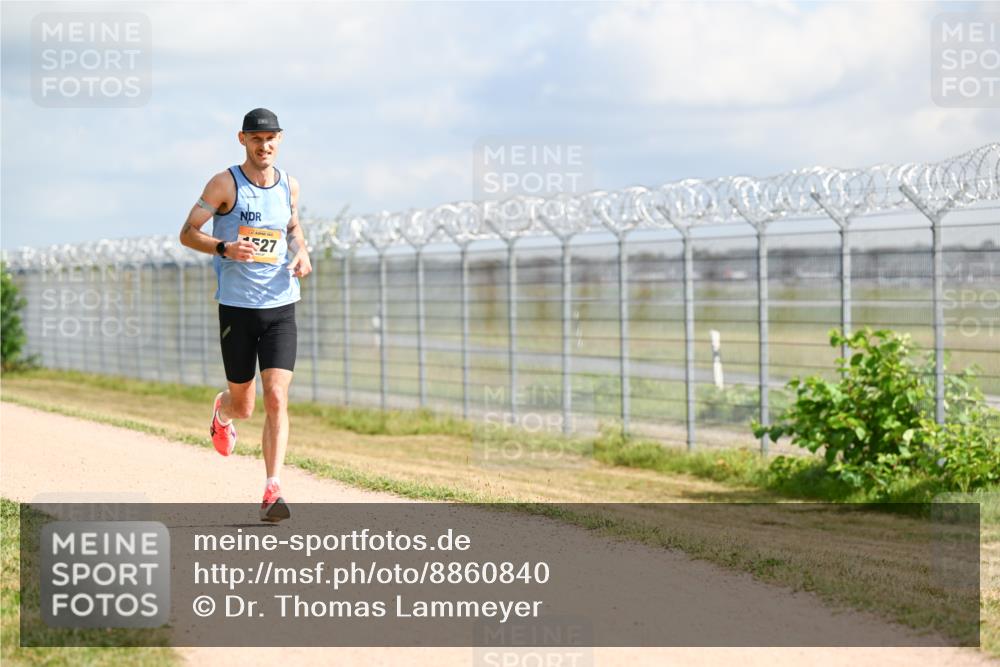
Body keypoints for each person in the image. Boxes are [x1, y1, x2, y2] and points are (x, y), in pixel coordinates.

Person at [178, 108, 311, 522]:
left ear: (280, 140)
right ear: (242, 140)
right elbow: (187, 232)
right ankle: (222, 411)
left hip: (280, 306)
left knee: (276, 396)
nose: (265, 146)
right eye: (257, 139)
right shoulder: (224, 183)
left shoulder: (289, 184)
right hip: (237, 308)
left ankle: (273, 490)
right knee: (246, 405)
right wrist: (224, 248)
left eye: (271, 139)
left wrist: (302, 251)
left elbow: (292, 227)